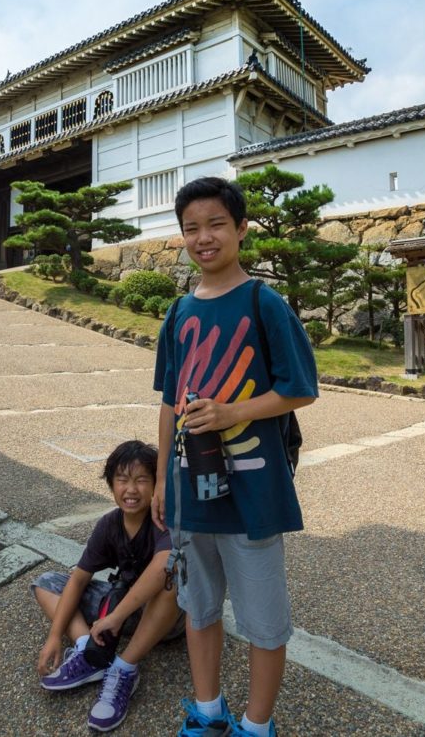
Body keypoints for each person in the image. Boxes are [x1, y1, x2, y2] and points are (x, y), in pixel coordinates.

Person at [152, 177, 318, 737]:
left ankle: (256, 725)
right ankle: (208, 711)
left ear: (241, 229)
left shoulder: (263, 303)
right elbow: (169, 405)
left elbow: (300, 389)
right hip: (189, 493)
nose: (204, 237)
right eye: (191, 227)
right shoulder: (176, 313)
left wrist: (230, 414)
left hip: (253, 494)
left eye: (216, 224)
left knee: (264, 622)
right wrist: (159, 484)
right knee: (198, 610)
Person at [32, 440, 185, 733]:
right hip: (123, 613)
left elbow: (163, 566)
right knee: (47, 583)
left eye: (142, 480)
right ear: (111, 484)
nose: (131, 489)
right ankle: (89, 653)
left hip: (166, 619)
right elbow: (79, 579)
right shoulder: (109, 525)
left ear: (156, 486)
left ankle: (124, 667)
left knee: (171, 580)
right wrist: (55, 636)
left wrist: (113, 618)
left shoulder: (164, 520)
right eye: (122, 480)